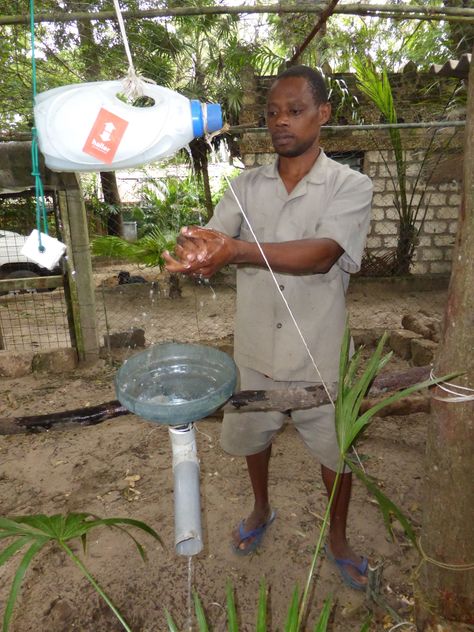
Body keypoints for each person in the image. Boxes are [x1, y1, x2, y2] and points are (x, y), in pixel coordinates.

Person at [163, 65, 373, 590]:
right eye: (273, 112)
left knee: (336, 451)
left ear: (322, 115)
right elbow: (219, 235)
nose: (281, 121)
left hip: (320, 351)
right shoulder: (245, 186)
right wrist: (202, 251)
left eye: (295, 110)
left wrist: (234, 251)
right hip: (255, 346)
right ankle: (261, 509)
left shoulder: (351, 186)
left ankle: (338, 537)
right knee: (254, 437)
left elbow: (324, 255)